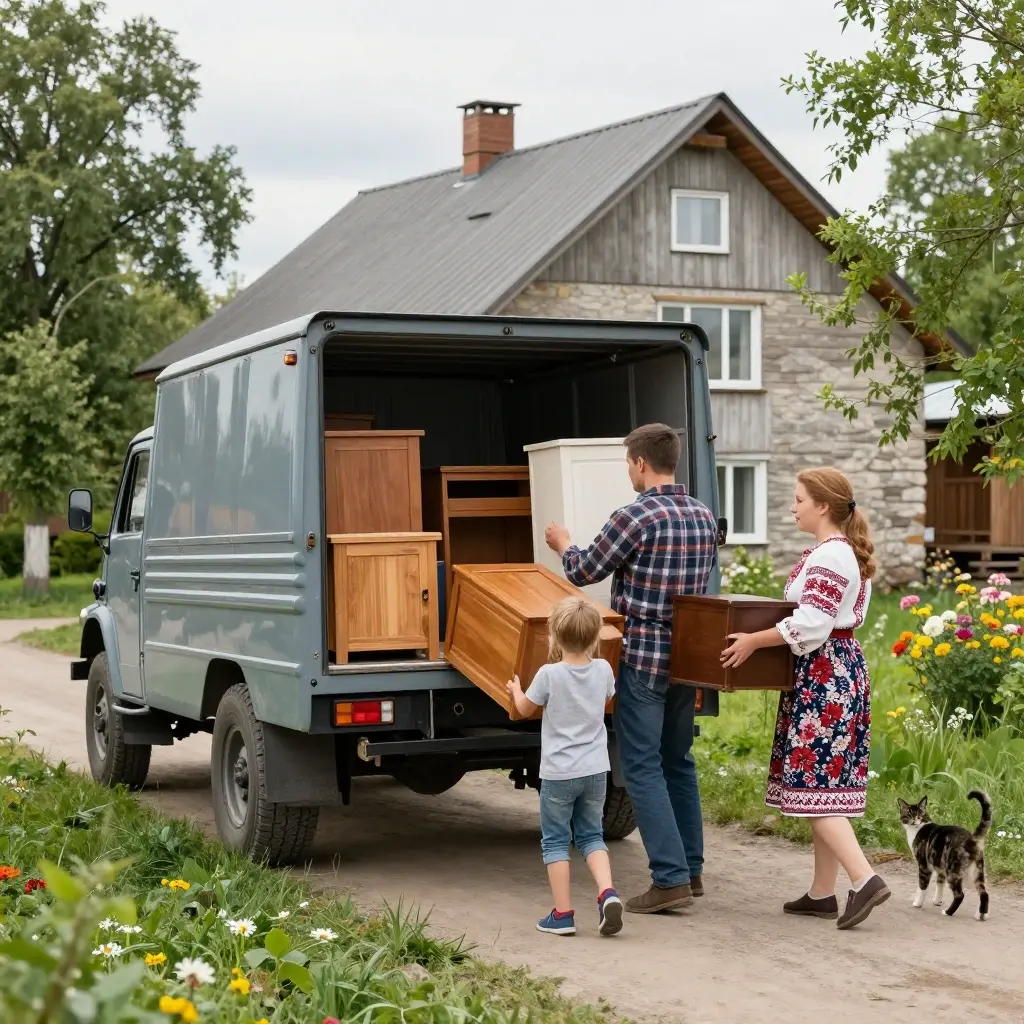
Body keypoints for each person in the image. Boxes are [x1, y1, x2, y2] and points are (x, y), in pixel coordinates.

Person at [544, 423, 717, 914]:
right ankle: (691, 869)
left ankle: (669, 878)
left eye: (627, 463)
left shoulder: (635, 516)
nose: (628, 471)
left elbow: (583, 570)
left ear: (640, 463)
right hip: (686, 656)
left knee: (641, 766)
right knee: (678, 760)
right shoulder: (703, 516)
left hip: (642, 655)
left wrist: (562, 542)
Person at [720, 466, 890, 930]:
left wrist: (755, 641)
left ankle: (865, 879)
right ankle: (821, 893)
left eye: (798, 500)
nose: (792, 507)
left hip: (825, 675)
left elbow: (813, 623)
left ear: (823, 505)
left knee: (814, 790)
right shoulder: (838, 551)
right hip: (835, 669)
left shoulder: (832, 555)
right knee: (825, 788)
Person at [507, 596, 624, 937]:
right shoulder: (603, 670)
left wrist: (516, 690)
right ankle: (607, 892)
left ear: (554, 636)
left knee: (556, 842)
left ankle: (562, 915)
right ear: (596, 637)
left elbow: (525, 710)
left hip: (559, 773)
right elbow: (607, 698)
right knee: (591, 836)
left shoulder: (549, 674)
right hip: (595, 770)